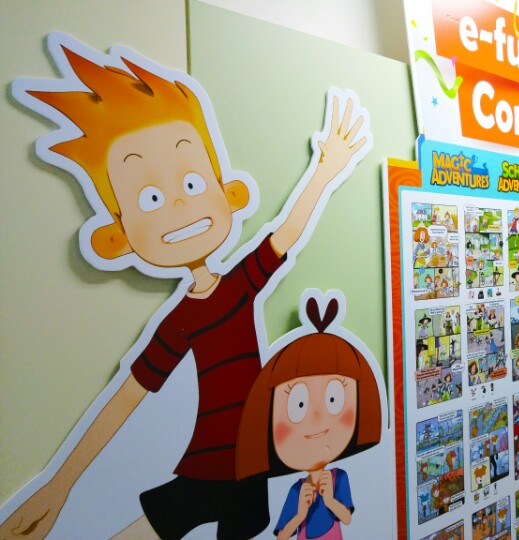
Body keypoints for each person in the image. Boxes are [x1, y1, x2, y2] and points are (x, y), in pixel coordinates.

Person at [3, 35, 370, 540]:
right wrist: (58, 486)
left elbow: (285, 234)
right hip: (205, 469)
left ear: (227, 192)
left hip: (248, 468)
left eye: (193, 184)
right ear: (117, 237)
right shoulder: (180, 319)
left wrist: (324, 172)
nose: (178, 205)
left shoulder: (239, 286)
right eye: (150, 198)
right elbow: (125, 399)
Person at [236, 296, 382, 540]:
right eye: (298, 405)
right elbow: (282, 535)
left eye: (334, 399)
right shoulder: (298, 490)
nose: (316, 418)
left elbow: (346, 517)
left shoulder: (338, 478)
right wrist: (300, 514)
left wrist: (330, 500)